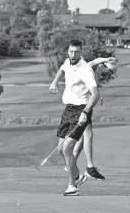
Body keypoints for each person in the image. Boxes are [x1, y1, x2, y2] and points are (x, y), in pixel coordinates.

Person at [48, 39, 116, 196]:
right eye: (71, 51)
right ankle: (78, 175)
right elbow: (61, 69)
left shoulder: (85, 70)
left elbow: (95, 94)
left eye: (76, 52)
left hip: (81, 110)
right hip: (68, 109)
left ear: (80, 52)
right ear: (68, 51)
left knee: (67, 148)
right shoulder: (67, 62)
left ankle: (72, 186)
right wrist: (54, 82)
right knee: (60, 150)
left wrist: (85, 113)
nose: (73, 54)